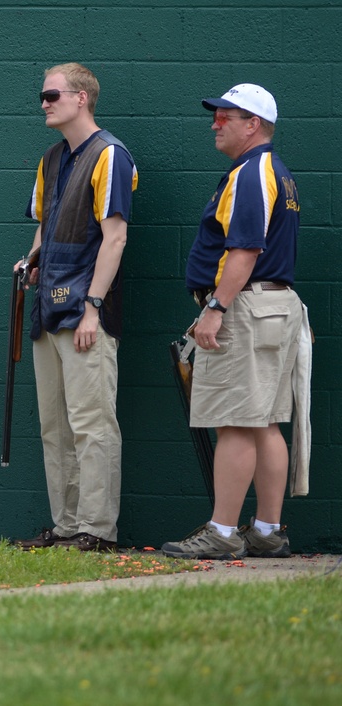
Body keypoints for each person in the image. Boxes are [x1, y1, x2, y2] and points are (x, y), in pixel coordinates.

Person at [162, 84, 304, 560]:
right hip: (272, 306)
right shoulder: (274, 172)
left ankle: (222, 534)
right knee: (263, 421)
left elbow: (244, 251)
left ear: (254, 124)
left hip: (243, 305)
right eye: (216, 115)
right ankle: (266, 530)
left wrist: (215, 309)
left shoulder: (250, 173)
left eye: (227, 116)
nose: (215, 123)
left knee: (235, 422)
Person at [15, 63, 138, 553]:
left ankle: (97, 528)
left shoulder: (110, 155)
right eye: (42, 96)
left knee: (92, 424)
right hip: (48, 310)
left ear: (82, 97)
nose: (44, 103)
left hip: (85, 313)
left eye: (51, 95)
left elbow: (116, 238)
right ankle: (66, 525)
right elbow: (45, 227)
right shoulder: (51, 159)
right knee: (55, 426)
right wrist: (31, 262)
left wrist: (93, 307)